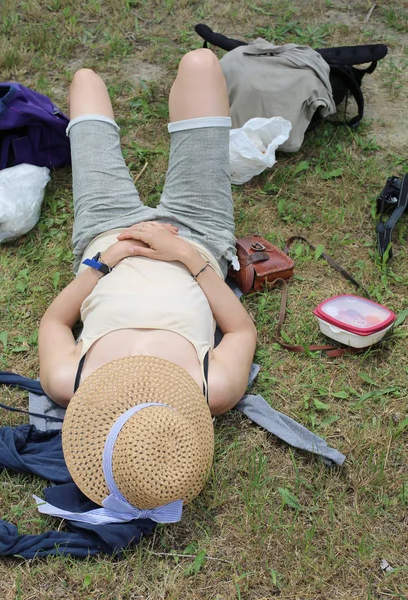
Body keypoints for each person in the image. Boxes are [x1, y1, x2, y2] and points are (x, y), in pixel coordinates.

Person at [38, 49, 257, 417]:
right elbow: (241, 332)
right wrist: (182, 253)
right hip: (196, 236)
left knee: (85, 80)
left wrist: (104, 262)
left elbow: (54, 321)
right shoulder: (211, 391)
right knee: (200, 64)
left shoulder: (68, 381)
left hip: (107, 234)